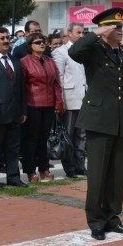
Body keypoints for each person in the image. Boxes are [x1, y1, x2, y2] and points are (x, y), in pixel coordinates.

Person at [69, 7, 123, 240]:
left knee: (117, 174)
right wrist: (96, 33)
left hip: (119, 119)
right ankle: (96, 221)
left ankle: (112, 217)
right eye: (115, 27)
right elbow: (75, 52)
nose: (119, 30)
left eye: (120, 27)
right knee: (97, 174)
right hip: (98, 119)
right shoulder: (94, 50)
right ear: (104, 29)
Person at [0, 27, 28, 190]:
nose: (6, 41)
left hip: (15, 111)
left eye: (7, 37)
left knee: (13, 147)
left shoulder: (15, 60)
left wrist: (23, 109)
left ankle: (13, 177)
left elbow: (21, 87)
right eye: (2, 38)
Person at [20, 33, 64, 183]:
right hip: (32, 104)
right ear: (30, 46)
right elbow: (21, 87)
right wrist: (23, 108)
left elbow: (57, 83)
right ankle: (30, 170)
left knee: (44, 138)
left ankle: (44, 168)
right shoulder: (24, 62)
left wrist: (59, 102)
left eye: (43, 42)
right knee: (31, 139)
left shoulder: (49, 61)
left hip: (49, 104)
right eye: (37, 42)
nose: (41, 44)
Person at [52, 22, 88, 178]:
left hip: (85, 98)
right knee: (68, 133)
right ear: (70, 34)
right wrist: (60, 100)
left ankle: (80, 164)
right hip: (69, 97)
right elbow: (58, 77)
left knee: (82, 135)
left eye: (83, 33)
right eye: (78, 32)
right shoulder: (60, 52)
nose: (81, 35)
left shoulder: (87, 50)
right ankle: (69, 166)